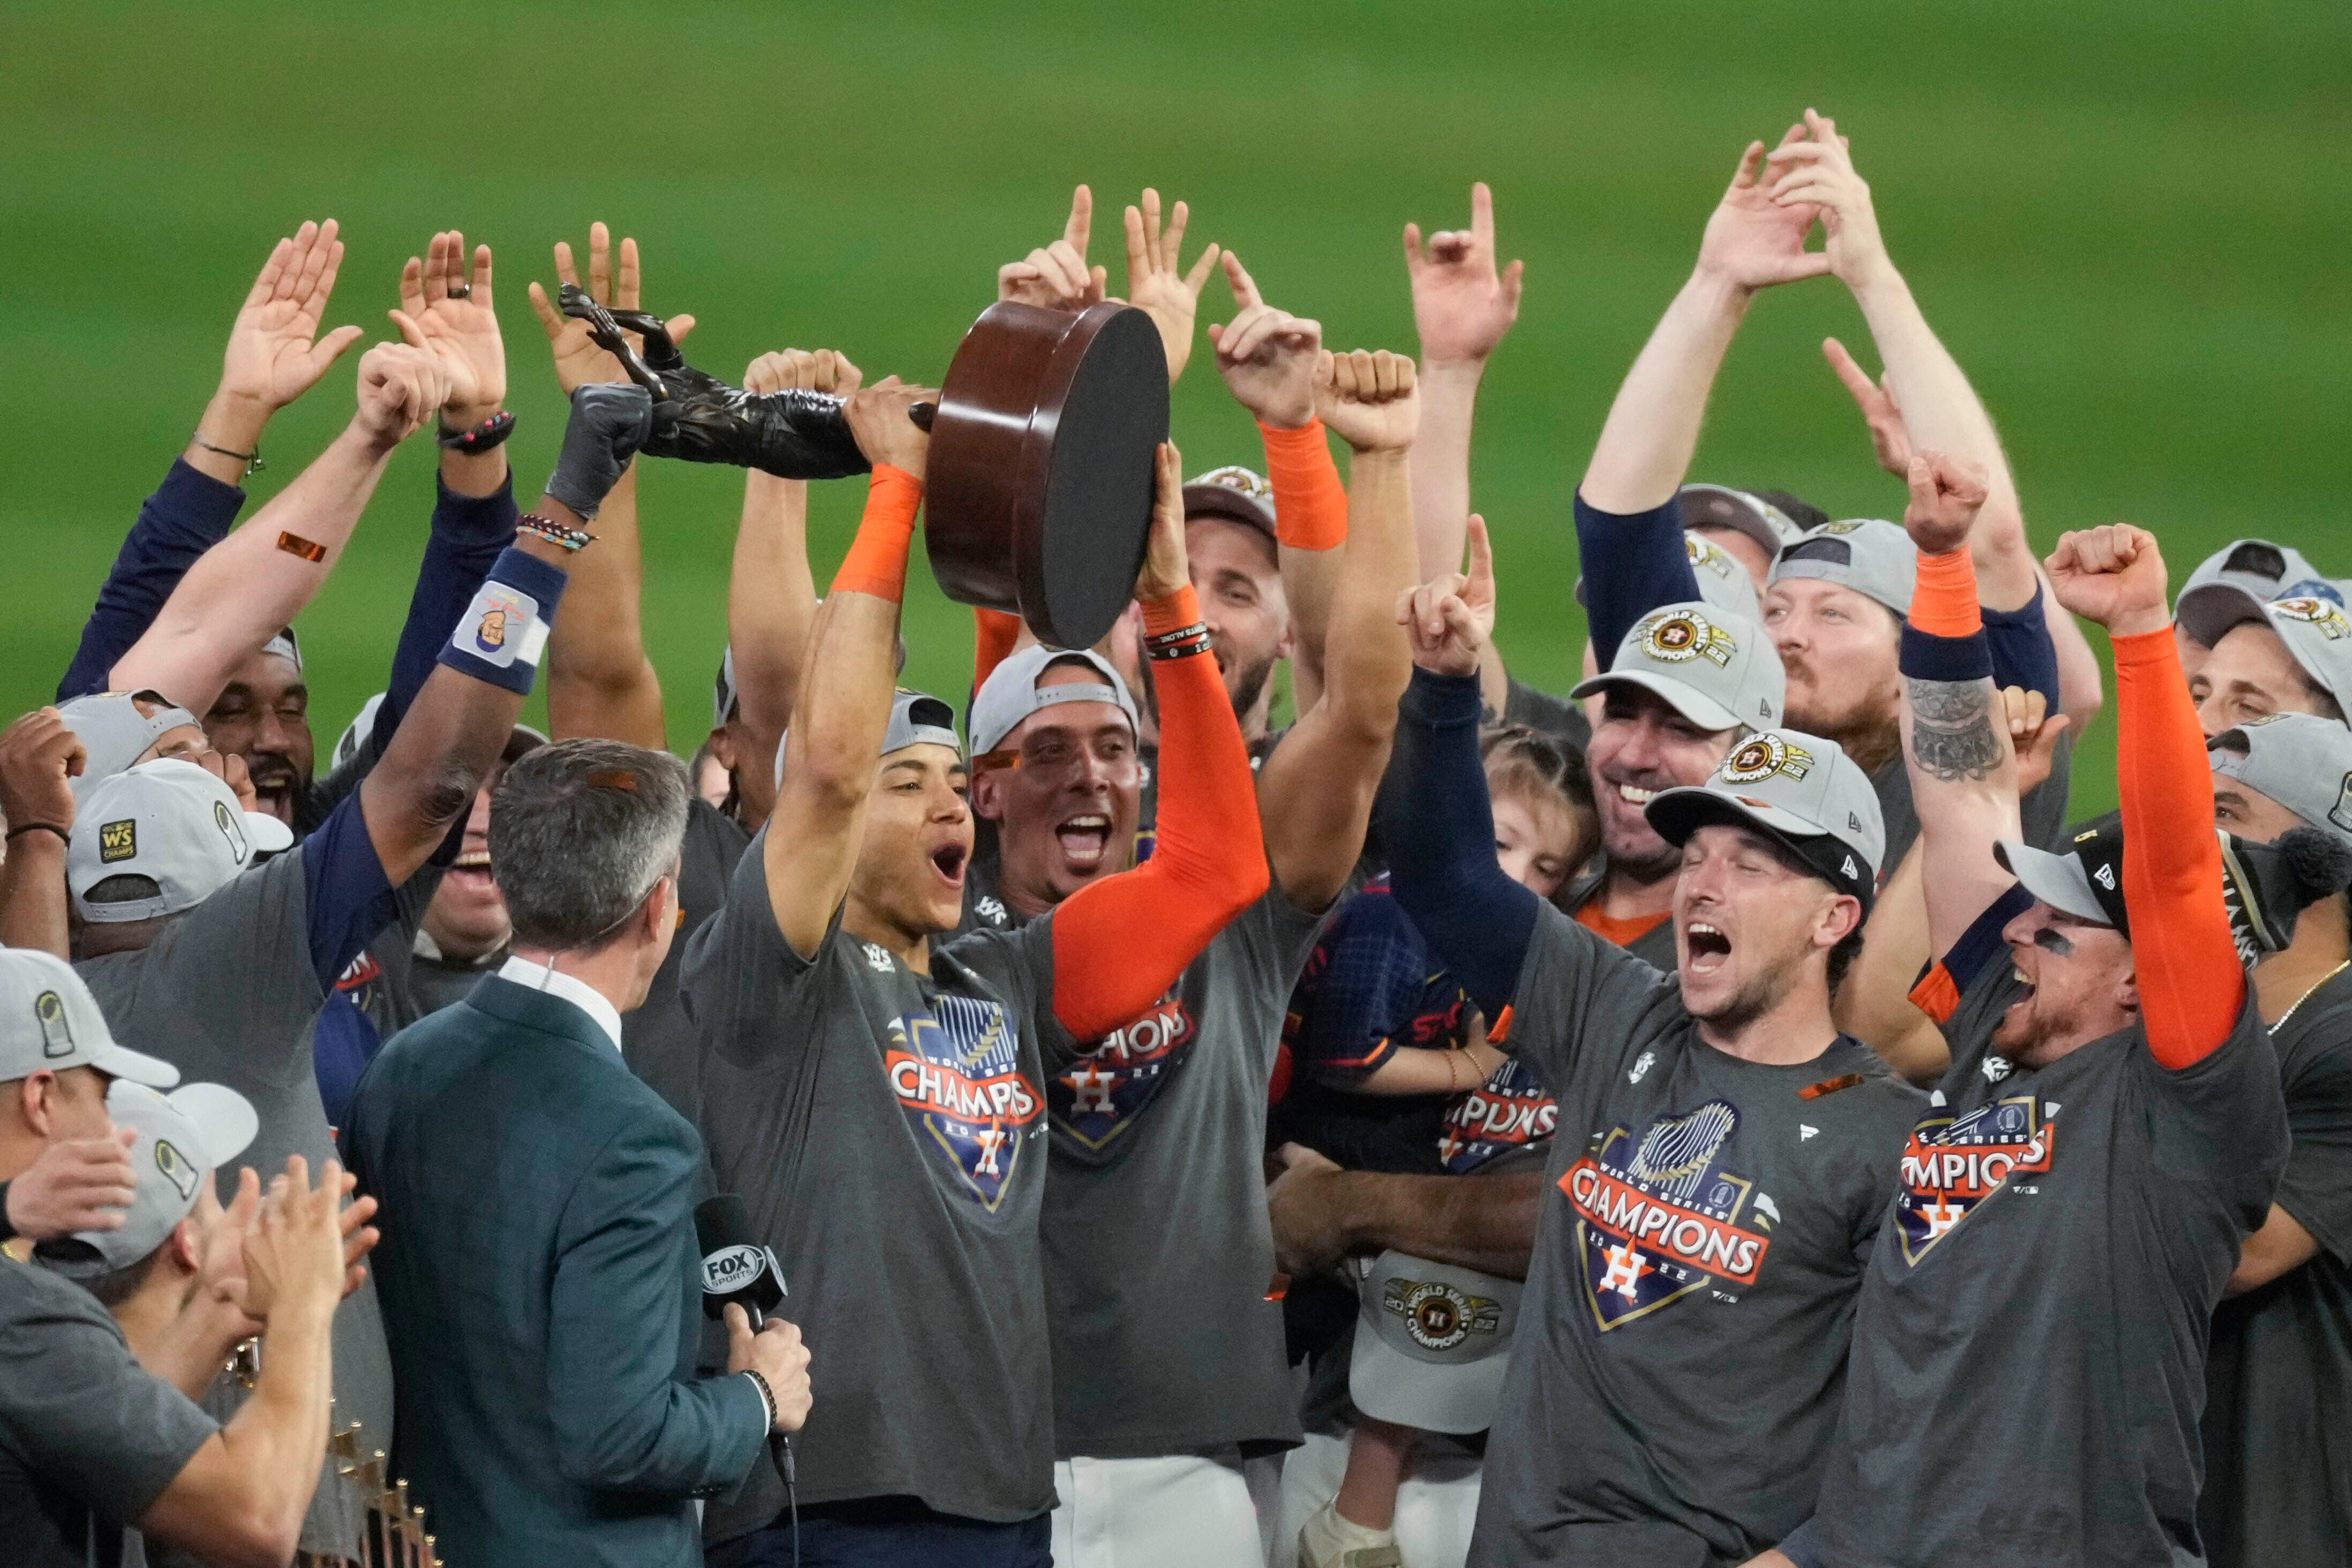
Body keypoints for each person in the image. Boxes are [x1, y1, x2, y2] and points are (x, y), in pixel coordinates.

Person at [27, 371, 647, 1552]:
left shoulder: (33, 987)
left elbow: (173, 646)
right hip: (276, 1512)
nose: (230, 760)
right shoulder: (228, 964)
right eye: (193, 750)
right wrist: (556, 519)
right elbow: (433, 772)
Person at [683, 407, 1269, 1564]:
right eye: (913, 786)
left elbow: (1214, 869)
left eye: (958, 780)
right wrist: (896, 490)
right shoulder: (771, 963)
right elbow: (832, 766)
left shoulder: (1003, 979)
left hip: (1003, 1500)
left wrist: (1168, 606)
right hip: (832, 1501)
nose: (954, 807)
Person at [1355, 517, 1923, 1565]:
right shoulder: (1614, 1011)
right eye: (1699, 849)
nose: (1704, 882)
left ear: (1835, 918)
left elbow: (1929, 1424)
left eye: (1751, 864)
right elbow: (1444, 879)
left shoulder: (1889, 1139)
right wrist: (1440, 687)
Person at [956, 339, 1417, 1567]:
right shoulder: (942, 933)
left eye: (1113, 747)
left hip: (1189, 1456)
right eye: (1044, 752)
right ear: (983, 794)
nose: (1086, 772)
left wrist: (1366, 461)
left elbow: (1363, 707)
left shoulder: (1237, 913)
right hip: (974, 1447)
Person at [1779, 523, 2305, 1566]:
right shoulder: (1998, 1037)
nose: (2018, 931)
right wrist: (1938, 563)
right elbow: (1951, 794)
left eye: (2058, 927)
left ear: (2137, 977)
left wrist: (2144, 631)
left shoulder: (2182, 1108)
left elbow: (2179, 874)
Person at [343, 737, 812, 1568]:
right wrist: (757, 1396)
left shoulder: (402, 1067)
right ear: (659, 905)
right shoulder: (636, 1140)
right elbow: (620, 1436)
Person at [1273, 725, 1593, 1568]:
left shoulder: (1472, 937)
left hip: (1376, 1143)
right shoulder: (1393, 914)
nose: (1517, 877)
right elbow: (1345, 1057)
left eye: (1547, 868)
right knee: (1436, 1234)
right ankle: (1352, 1516)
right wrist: (1466, 1067)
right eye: (1497, 842)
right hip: (1334, 1131)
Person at [1, 949, 368, 1568]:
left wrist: (220, 1312)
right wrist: (304, 1306)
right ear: (41, 1098)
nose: (108, 1120)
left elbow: (94, 1432)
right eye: (102, 1092)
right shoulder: (23, 1315)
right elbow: (259, 1517)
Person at [2197, 712, 2352, 1566]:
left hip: (2287, 1519)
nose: (2188, 839)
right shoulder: (2218, 1024)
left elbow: (2238, 1251)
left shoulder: (2344, 1035)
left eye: (2224, 816)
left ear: (2317, 867)